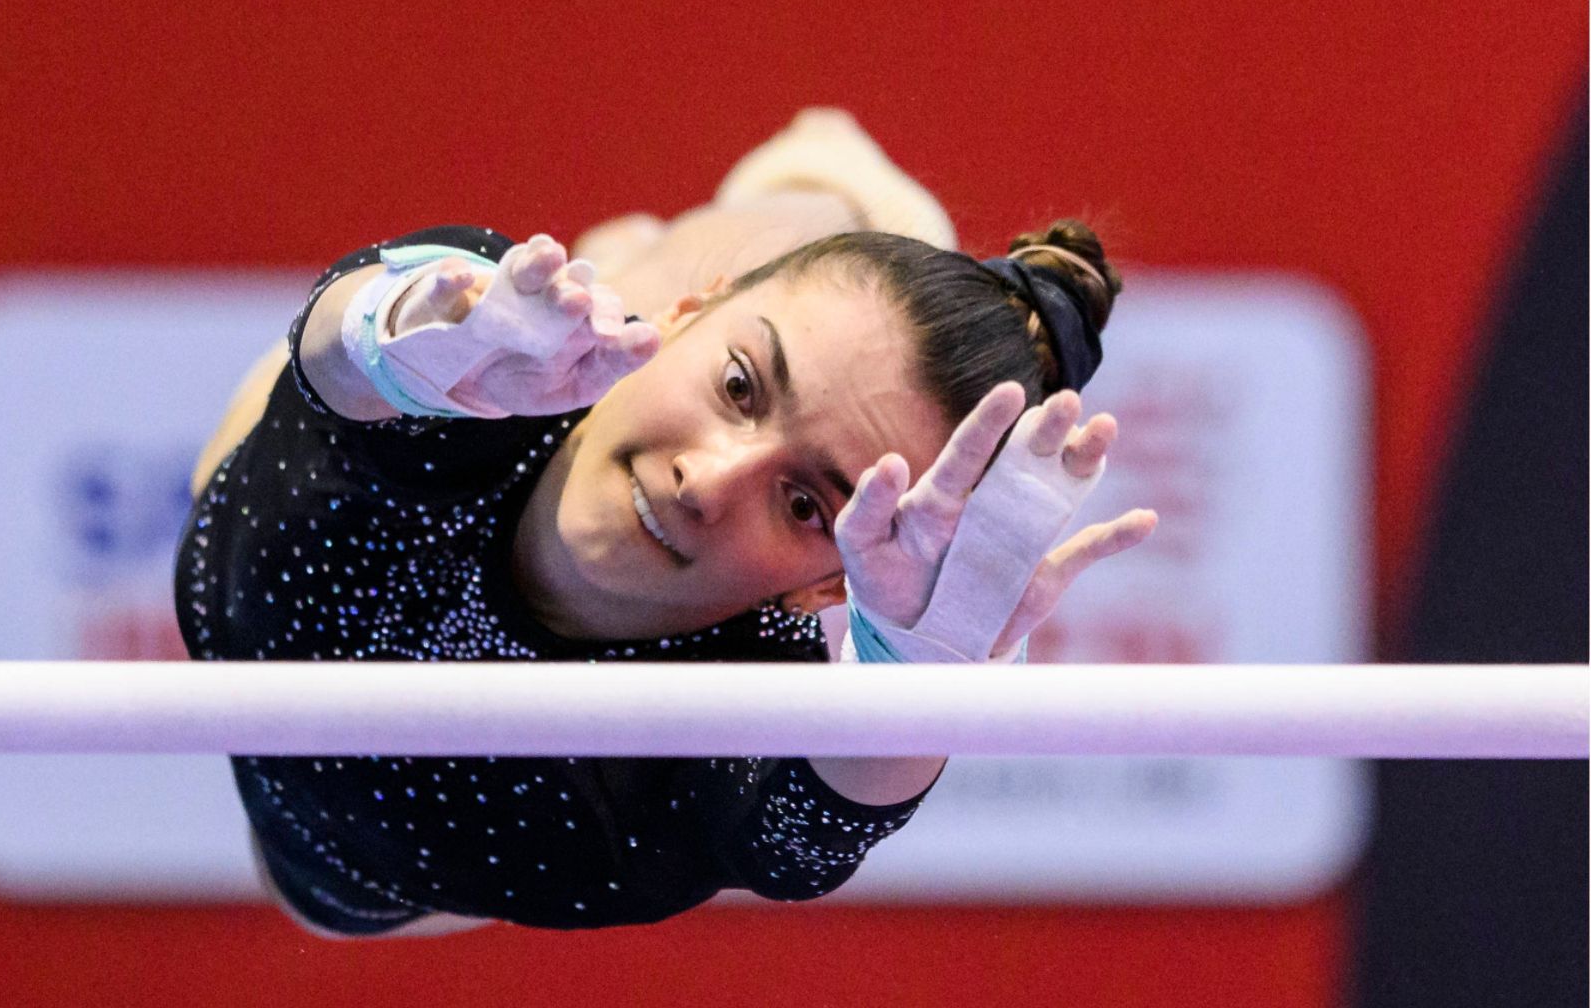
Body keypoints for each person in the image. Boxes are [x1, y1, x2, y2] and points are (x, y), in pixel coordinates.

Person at [177, 110, 1157, 938]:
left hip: (353, 867)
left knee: (304, 889)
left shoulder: (737, 720)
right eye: (738, 389)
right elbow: (342, 350)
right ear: (697, 319)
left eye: (805, 503)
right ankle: (830, 207)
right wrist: (389, 333)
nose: (708, 480)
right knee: (694, 266)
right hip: (369, 461)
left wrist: (918, 694)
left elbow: (820, 819)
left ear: (828, 587)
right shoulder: (481, 383)